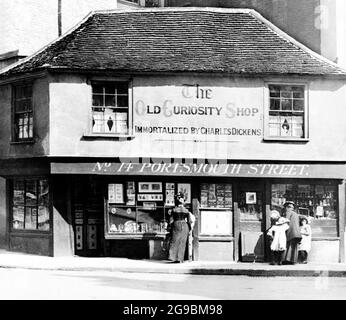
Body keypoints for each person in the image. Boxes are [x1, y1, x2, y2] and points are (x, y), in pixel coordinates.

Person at [168, 192, 193, 263]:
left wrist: (169, 227)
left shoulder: (174, 210)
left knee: (174, 241)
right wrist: (190, 229)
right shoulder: (186, 210)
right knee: (182, 242)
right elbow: (189, 221)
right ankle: (180, 259)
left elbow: (171, 221)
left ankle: (173, 258)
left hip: (176, 224)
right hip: (185, 226)